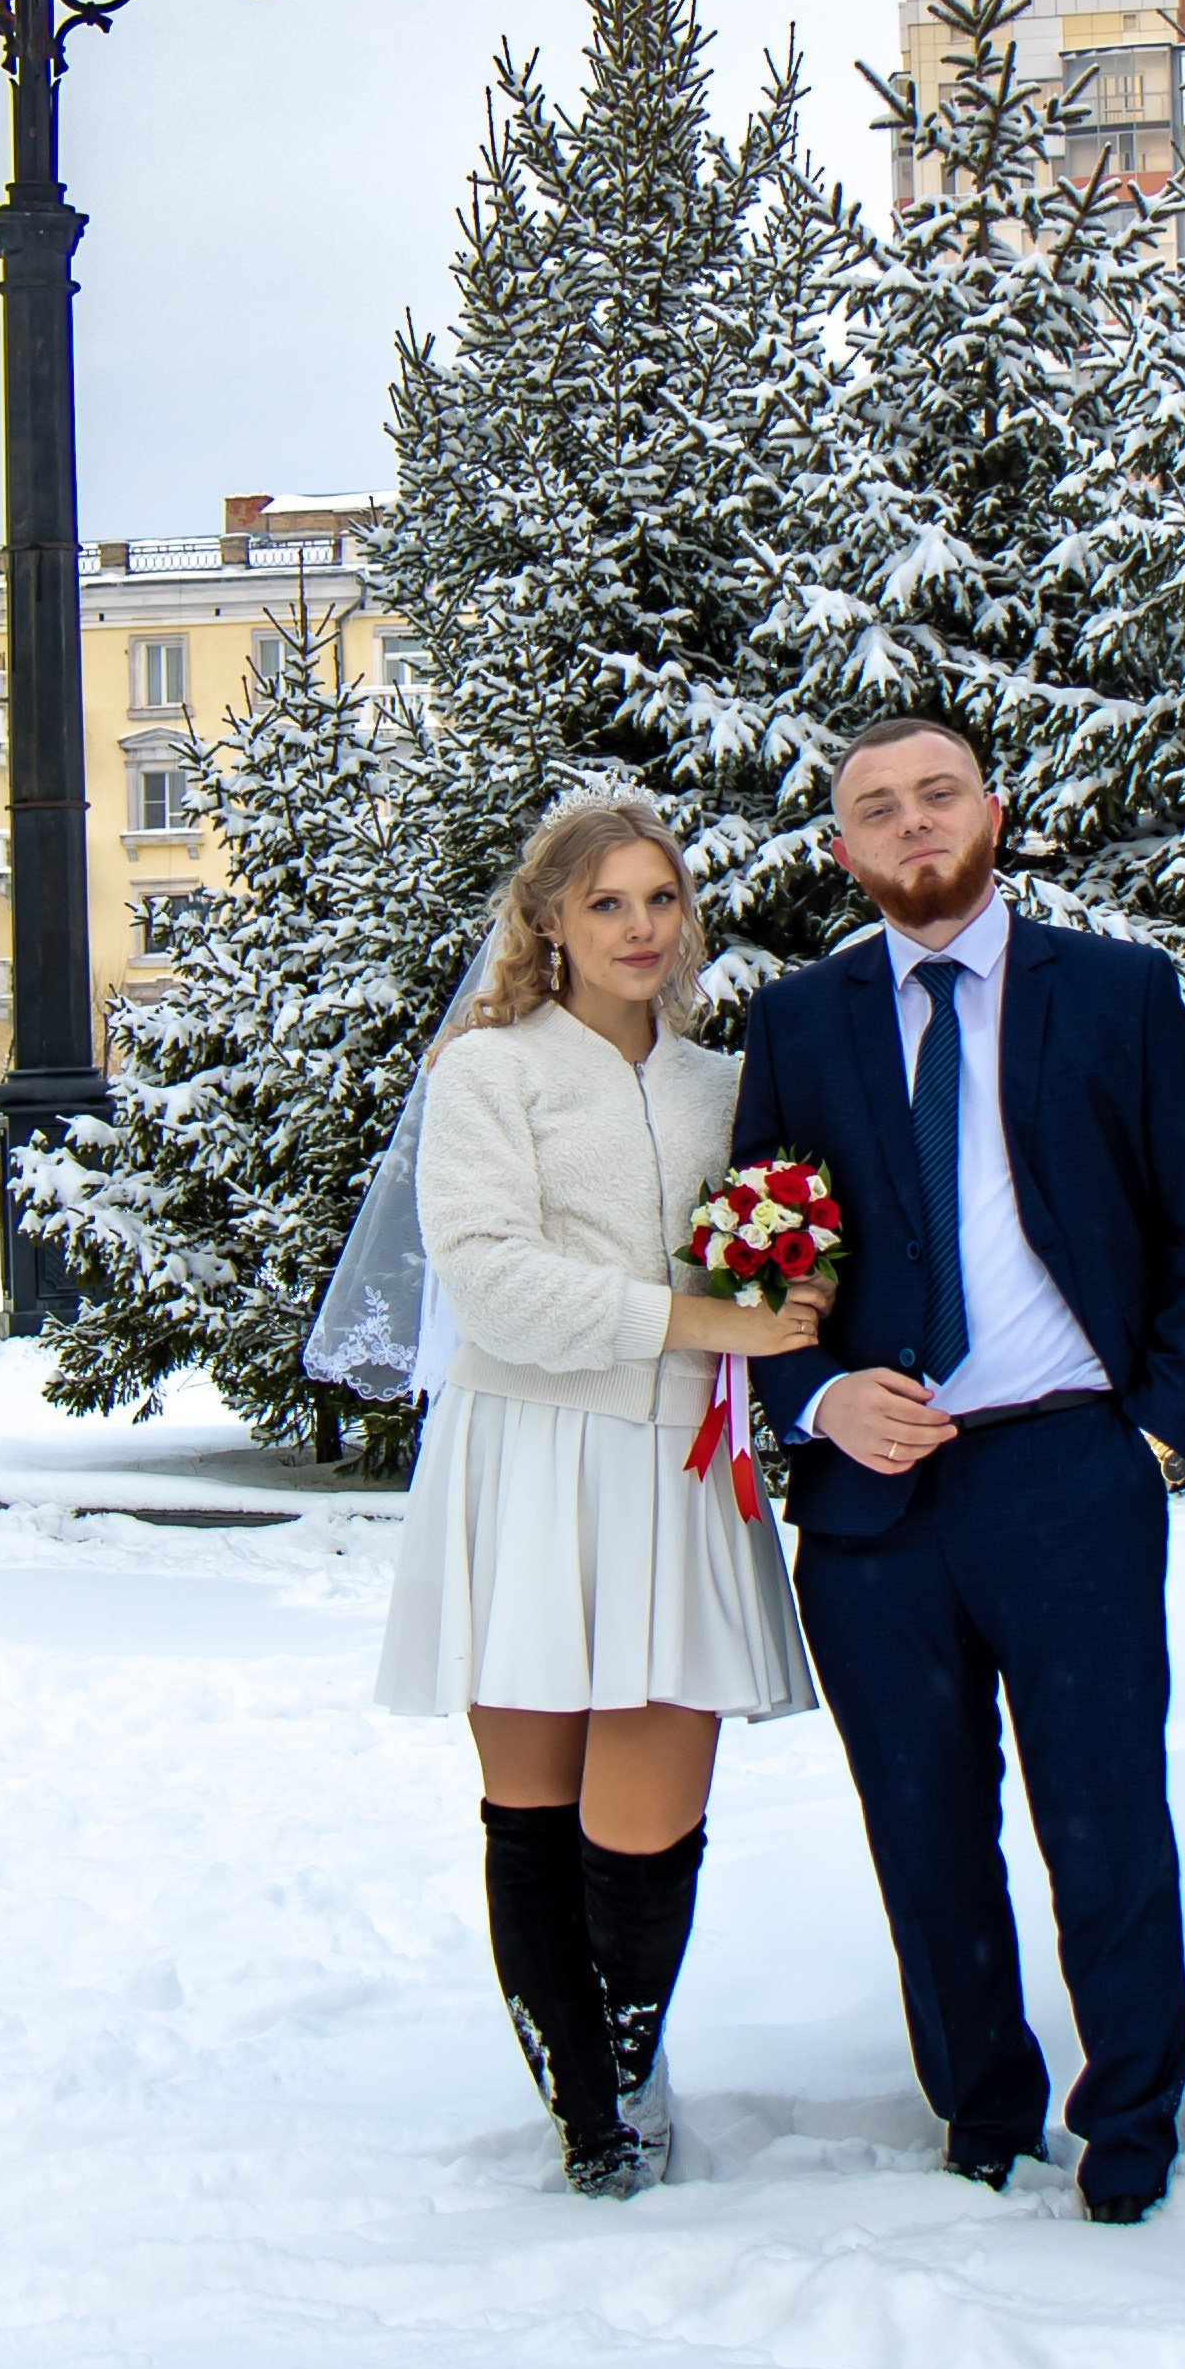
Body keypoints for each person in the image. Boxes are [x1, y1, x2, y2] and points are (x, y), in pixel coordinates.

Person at [732, 718, 1185, 2224]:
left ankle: (1132, 2130)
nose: (913, 824)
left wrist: (1159, 1434)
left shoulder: (1116, 992)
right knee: (924, 1829)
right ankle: (980, 2117)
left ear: (993, 812)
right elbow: (754, 1269)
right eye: (877, 809)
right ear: (844, 849)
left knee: (1104, 1816)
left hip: (1070, 1474)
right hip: (874, 1505)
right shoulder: (801, 1022)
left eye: (938, 795)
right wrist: (817, 1398)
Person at [370, 796, 820, 2198]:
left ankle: (629, 2057)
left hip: (678, 1470)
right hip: (527, 1459)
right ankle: (586, 2119)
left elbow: (783, 1250)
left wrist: (797, 1291)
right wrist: (701, 1324)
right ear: (551, 921)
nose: (640, 928)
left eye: (661, 899)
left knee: (648, 1825)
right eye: (607, 903)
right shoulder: (489, 1071)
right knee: (533, 1812)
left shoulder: (724, 1085)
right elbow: (489, 1279)